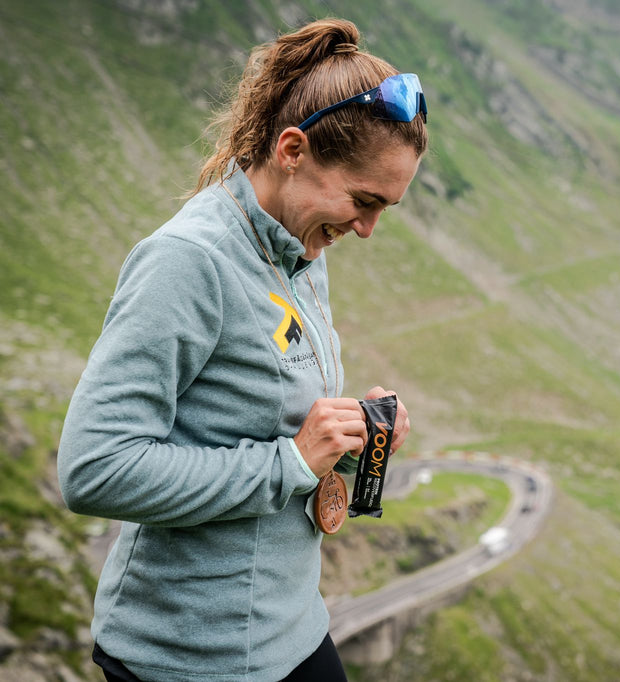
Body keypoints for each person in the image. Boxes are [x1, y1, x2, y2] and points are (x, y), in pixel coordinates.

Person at [57, 18, 427, 682]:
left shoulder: (301, 245)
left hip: (296, 629)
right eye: (365, 200)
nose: (368, 229)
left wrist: (347, 435)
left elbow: (259, 411)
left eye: (386, 209)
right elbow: (93, 467)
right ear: (293, 150)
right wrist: (289, 461)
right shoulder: (187, 262)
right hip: (192, 661)